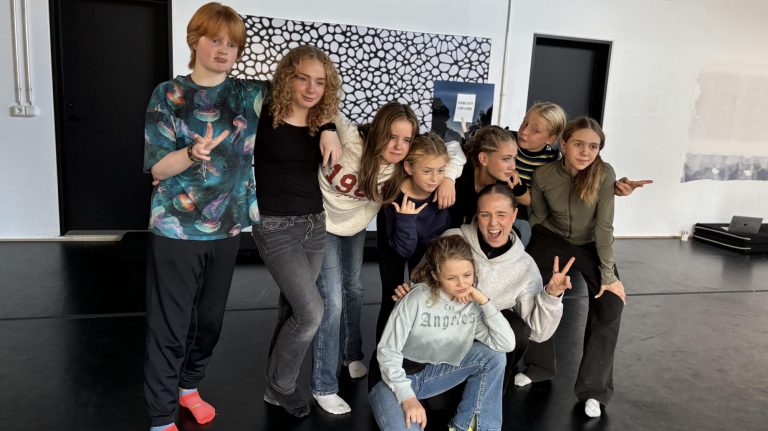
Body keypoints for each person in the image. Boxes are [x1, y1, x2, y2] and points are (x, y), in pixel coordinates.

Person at [142, 4, 265, 430]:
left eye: (232, 44)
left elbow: (308, 102)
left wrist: (328, 130)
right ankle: (161, 416)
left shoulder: (249, 96)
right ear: (195, 40)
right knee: (170, 324)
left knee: (209, 322)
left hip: (226, 226)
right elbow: (158, 169)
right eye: (215, 40)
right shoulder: (168, 94)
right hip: (175, 229)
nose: (224, 50)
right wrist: (193, 153)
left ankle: (189, 387)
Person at [311, 102, 466, 414]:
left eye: (406, 140)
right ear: (378, 131)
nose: (397, 146)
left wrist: (448, 177)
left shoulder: (402, 166)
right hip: (322, 222)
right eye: (391, 137)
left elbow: (452, 149)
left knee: (354, 289)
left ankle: (352, 354)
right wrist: (327, 130)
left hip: (354, 227)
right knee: (334, 302)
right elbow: (325, 107)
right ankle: (323, 385)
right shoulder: (354, 141)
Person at [389, 184, 572, 397]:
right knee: (436, 402)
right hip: (444, 327)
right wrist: (411, 294)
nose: (493, 223)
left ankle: (490, 391)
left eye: (501, 214)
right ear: (477, 215)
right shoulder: (454, 238)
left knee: (517, 330)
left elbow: (538, 332)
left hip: (484, 332)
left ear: (514, 215)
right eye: (485, 215)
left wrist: (552, 295)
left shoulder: (525, 266)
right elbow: (421, 277)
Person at [251, 44, 343, 418]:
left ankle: (274, 389)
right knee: (311, 311)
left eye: (319, 82)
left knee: (292, 308)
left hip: (314, 225)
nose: (310, 88)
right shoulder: (262, 112)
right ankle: (282, 386)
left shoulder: (322, 121)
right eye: (302, 78)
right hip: (274, 226)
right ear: (287, 77)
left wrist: (330, 127)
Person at [523, 116, 626, 418]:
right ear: (563, 144)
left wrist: (608, 275)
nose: (585, 152)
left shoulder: (604, 174)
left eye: (593, 146)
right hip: (552, 239)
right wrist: (539, 248)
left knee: (611, 304)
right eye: (579, 144)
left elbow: (604, 227)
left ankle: (594, 389)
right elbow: (537, 216)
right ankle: (539, 367)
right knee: (532, 290)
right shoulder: (543, 174)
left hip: (591, 243)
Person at [370, 235, 515, 431]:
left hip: (431, 376)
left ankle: (467, 427)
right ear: (436, 275)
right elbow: (387, 352)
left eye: (467, 275)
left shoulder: (471, 304)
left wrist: (484, 301)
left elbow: (506, 344)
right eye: (451, 278)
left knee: (494, 357)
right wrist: (407, 397)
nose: (462, 284)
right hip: (392, 380)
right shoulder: (416, 299)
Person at [374, 133, 452, 341]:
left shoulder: (443, 189)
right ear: (409, 168)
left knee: (427, 298)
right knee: (393, 298)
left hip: (431, 249)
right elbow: (404, 250)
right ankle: (382, 354)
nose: (435, 178)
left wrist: (450, 179)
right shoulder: (393, 197)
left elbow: (457, 151)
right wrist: (406, 220)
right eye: (427, 171)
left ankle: (417, 352)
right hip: (396, 246)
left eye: (441, 171)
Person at [448, 125, 529, 242]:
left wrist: (515, 185)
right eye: (506, 159)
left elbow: (527, 201)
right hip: (456, 235)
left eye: (514, 158)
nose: (513, 166)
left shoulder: (506, 178)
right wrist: (448, 179)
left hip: (488, 234)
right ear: (484, 159)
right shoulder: (459, 174)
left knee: (523, 227)